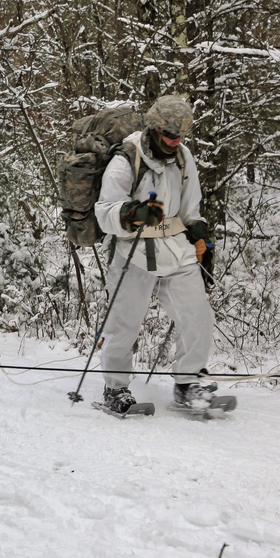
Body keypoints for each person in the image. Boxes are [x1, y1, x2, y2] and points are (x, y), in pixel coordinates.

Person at [92, 95, 216, 413]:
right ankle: (115, 388)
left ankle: (188, 383)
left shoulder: (184, 158)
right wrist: (133, 212)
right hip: (133, 250)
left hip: (175, 249)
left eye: (181, 136)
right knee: (124, 323)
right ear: (155, 129)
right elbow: (104, 211)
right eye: (171, 135)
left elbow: (191, 209)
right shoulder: (127, 157)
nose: (176, 141)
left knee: (197, 315)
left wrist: (200, 233)